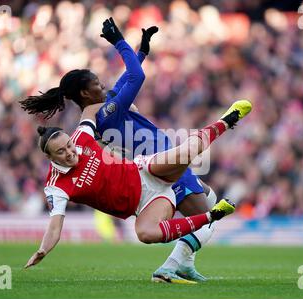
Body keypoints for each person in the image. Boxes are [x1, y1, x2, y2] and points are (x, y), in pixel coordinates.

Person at [20, 18, 219, 283]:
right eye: (97, 84)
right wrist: (118, 42)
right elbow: (137, 77)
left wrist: (142, 51)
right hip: (164, 166)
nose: (103, 85)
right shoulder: (106, 115)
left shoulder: (106, 105)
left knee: (211, 197)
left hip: (163, 164)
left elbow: (128, 75)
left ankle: (183, 263)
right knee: (207, 219)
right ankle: (171, 266)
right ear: (85, 93)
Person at [24, 98, 252, 285]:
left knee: (187, 151)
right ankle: (213, 215)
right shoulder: (55, 185)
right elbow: (55, 224)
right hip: (146, 205)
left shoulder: (81, 137)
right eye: (61, 152)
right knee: (145, 234)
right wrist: (43, 249)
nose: (70, 152)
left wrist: (119, 103)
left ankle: (226, 121)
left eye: (69, 146)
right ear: (50, 158)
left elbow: (90, 109)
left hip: (145, 170)